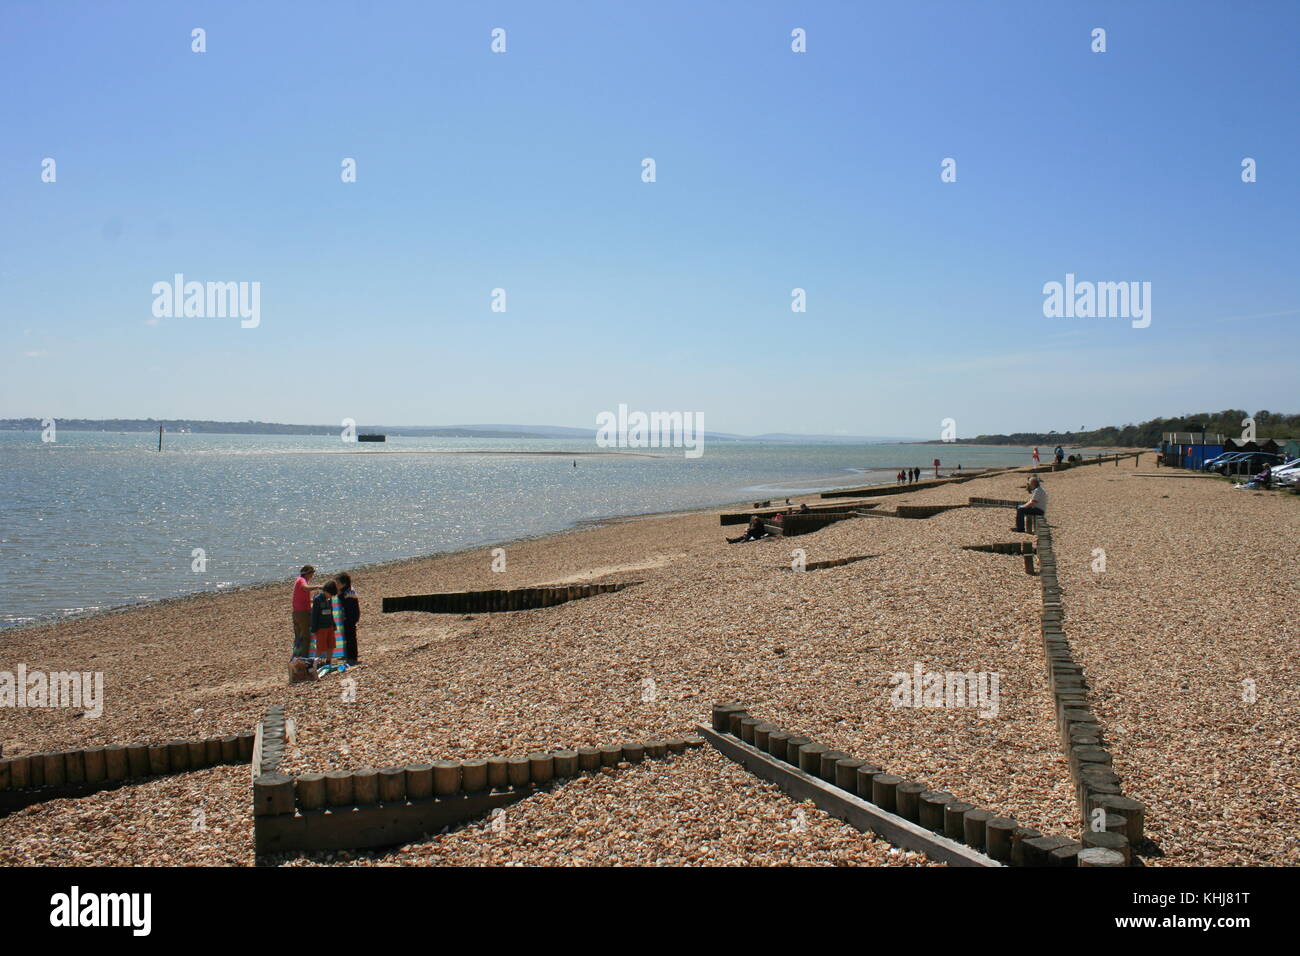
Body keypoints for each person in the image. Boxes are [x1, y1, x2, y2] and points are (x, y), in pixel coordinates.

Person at [292, 565, 320, 658]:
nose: (312, 575)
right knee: (306, 637)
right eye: (312, 573)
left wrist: (313, 601)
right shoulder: (302, 580)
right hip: (302, 613)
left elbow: (301, 597)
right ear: (307, 573)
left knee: (298, 637)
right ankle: (304, 658)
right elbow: (306, 588)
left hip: (296, 612)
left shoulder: (299, 580)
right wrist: (318, 587)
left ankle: (297, 656)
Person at [309, 580, 340, 664]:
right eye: (330, 594)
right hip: (321, 627)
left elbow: (331, 613)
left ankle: (328, 661)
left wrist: (333, 624)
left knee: (331, 644)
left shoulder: (329, 599)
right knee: (321, 647)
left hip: (329, 625)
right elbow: (314, 615)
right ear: (326, 591)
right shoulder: (318, 599)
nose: (330, 597)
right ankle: (315, 663)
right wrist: (314, 628)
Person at [335, 573, 361, 664]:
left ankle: (352, 657)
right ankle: (348, 654)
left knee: (350, 637)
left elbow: (341, 598)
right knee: (347, 636)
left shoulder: (349, 592)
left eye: (338, 583)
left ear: (344, 583)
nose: (336, 585)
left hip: (350, 617)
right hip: (349, 616)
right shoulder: (347, 590)